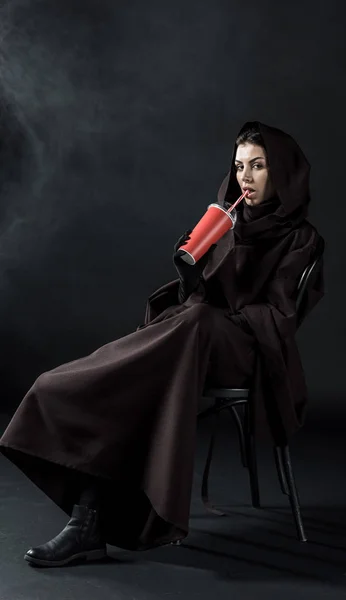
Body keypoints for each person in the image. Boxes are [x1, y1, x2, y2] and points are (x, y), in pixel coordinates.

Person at [0, 121, 324, 567]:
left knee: (191, 323)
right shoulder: (227, 222)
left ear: (282, 172)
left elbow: (279, 316)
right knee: (154, 365)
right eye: (239, 167)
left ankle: (92, 509)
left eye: (258, 166)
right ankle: (86, 522)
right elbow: (198, 300)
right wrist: (193, 276)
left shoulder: (302, 239)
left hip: (247, 353)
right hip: (191, 347)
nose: (245, 177)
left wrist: (209, 309)